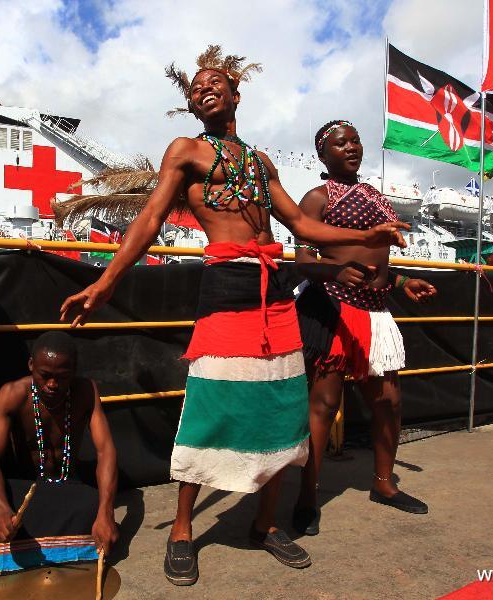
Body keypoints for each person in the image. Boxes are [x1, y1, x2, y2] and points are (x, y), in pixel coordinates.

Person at [59, 46, 408, 586]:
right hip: (226, 289)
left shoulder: (261, 162)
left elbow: (301, 225)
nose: (204, 90)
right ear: (193, 108)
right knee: (212, 404)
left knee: (281, 406)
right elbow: (151, 219)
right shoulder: (186, 152)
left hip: (276, 296)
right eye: (195, 89)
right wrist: (104, 284)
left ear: (236, 95)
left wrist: (366, 235)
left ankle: (265, 525)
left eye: (213, 83)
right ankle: (181, 530)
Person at [292, 120, 437, 537]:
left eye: (355, 140)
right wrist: (335, 269)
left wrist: (402, 282)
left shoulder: (376, 197)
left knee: (389, 402)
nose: (351, 147)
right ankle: (306, 495)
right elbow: (301, 260)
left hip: (376, 311)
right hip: (333, 309)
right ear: (323, 155)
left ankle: (384, 484)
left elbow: (379, 262)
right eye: (340, 143)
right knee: (322, 406)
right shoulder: (316, 198)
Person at [0, 332, 119, 585]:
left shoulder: (86, 391)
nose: (52, 384)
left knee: (95, 503)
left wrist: (105, 512)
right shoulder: (12, 394)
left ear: (74, 371)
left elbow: (105, 450)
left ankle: (2, 552)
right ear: (31, 366)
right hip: (23, 496)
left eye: (62, 377)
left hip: (64, 489)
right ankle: (53, 548)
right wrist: (1, 510)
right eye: (45, 375)